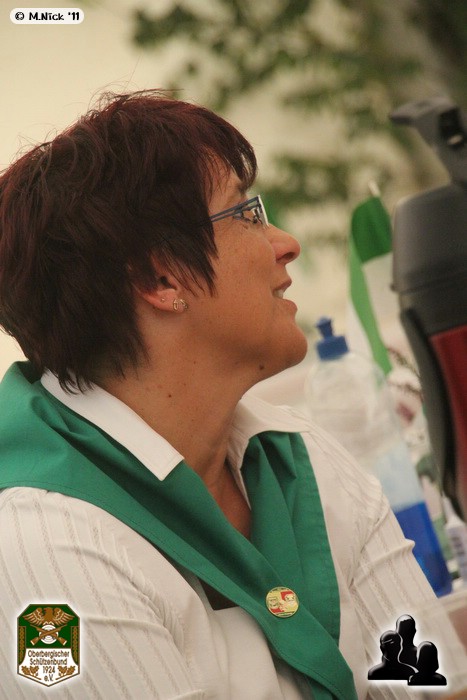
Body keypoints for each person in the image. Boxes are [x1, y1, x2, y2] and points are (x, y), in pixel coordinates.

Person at [0, 91, 466, 700]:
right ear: (160, 277)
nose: (287, 243)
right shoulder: (42, 547)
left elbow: (428, 687)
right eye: (247, 213)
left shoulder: (299, 456)